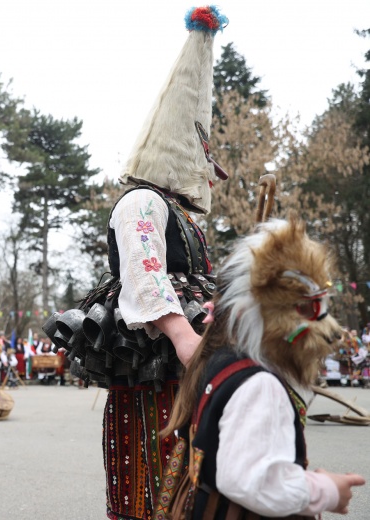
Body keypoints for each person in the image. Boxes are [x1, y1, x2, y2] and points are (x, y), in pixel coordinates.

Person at [62, 8, 228, 519]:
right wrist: (183, 335)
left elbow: (195, 282)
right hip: (156, 363)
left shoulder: (184, 218)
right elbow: (144, 272)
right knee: (151, 482)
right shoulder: (142, 202)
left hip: (186, 370)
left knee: (194, 476)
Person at [158, 217, 365, 518]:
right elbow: (252, 481)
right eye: (308, 309)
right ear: (255, 313)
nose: (326, 327)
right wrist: (326, 489)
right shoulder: (258, 385)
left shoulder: (216, 360)